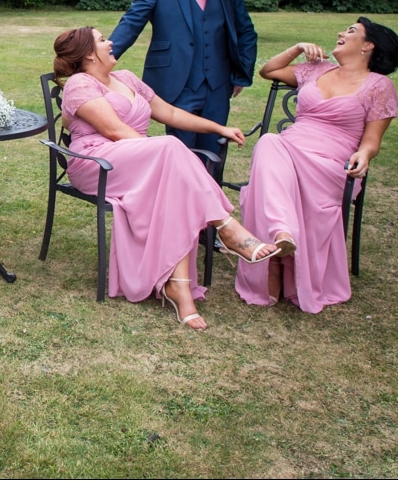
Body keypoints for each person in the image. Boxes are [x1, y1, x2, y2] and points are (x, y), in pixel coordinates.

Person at [53, 26, 290, 330]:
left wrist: (218, 128)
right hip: (98, 163)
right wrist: (156, 153)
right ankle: (226, 227)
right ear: (88, 53)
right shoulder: (79, 83)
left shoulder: (126, 78)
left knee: (175, 184)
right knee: (169, 148)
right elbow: (113, 131)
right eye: (102, 40)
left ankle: (178, 287)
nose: (110, 42)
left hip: (140, 159)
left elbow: (171, 114)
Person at [235, 18, 398, 313]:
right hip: (291, 149)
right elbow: (268, 71)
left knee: (270, 155)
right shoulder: (317, 70)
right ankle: (281, 235)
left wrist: (364, 155)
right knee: (271, 142)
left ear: (368, 45)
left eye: (351, 31)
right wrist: (297, 47)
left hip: (331, 164)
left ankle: (273, 255)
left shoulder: (380, 86)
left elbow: (372, 140)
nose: (340, 33)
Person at [109, 0, 258, 155]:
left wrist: (241, 73)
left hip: (218, 85)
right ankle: (182, 192)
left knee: (215, 149)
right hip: (177, 82)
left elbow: (246, 31)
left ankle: (211, 191)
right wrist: (104, 57)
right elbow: (131, 23)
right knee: (181, 152)